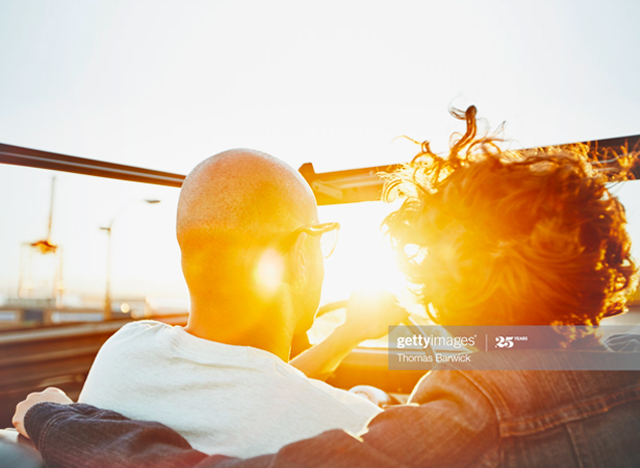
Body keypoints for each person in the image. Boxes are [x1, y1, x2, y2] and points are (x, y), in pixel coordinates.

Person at [12, 107, 640, 467]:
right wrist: (348, 344)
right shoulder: (622, 369)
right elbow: (266, 387)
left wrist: (53, 416)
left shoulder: (123, 350)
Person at [19, 149, 406, 459]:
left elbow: (243, 386)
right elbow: (261, 390)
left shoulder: (122, 352)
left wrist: (347, 335)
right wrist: (369, 399)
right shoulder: (355, 430)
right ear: (301, 254)